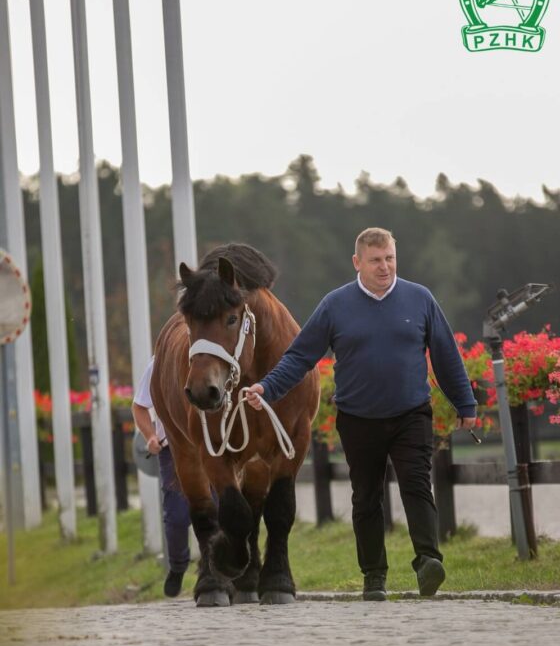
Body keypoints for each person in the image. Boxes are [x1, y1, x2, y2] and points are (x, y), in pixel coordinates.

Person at [246, 227, 477, 601]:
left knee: (417, 484)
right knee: (366, 497)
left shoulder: (420, 299)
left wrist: (465, 403)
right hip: (357, 418)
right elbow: (300, 356)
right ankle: (374, 576)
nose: (384, 267)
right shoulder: (335, 305)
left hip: (411, 414)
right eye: (375, 260)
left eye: (389, 258)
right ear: (358, 262)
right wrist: (265, 388)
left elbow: (445, 354)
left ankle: (428, 560)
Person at [132, 357, 191, 598]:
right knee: (177, 516)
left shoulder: (217, 353)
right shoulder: (160, 362)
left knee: (217, 509)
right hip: (173, 449)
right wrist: (151, 437)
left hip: (210, 448)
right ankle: (177, 565)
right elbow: (139, 405)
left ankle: (216, 571)